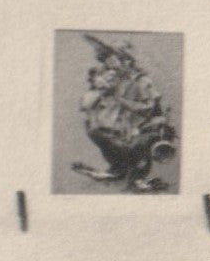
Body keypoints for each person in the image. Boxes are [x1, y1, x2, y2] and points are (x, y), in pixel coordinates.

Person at [74, 35, 178, 192]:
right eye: (110, 61)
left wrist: (123, 102)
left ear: (127, 62)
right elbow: (89, 102)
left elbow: (149, 107)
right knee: (98, 132)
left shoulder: (141, 81)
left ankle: (138, 177)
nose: (111, 64)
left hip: (144, 126)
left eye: (115, 60)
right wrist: (100, 89)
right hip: (121, 127)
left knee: (139, 145)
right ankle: (118, 169)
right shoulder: (112, 78)